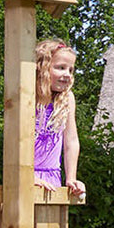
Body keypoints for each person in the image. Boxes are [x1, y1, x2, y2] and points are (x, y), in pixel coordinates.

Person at [34, 38, 85, 197]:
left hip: (52, 178)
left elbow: (71, 141)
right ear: (43, 68)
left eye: (70, 70)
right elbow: (14, 140)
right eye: (61, 68)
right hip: (23, 177)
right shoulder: (28, 96)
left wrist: (71, 178)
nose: (67, 75)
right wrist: (26, 176)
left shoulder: (66, 99)